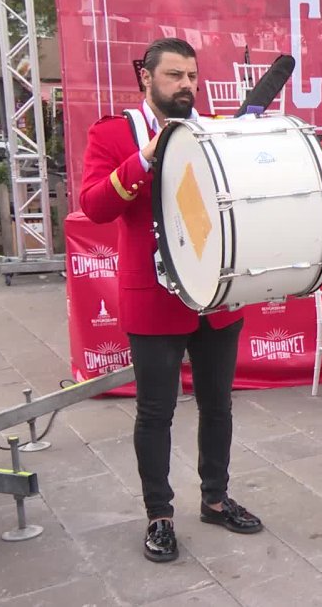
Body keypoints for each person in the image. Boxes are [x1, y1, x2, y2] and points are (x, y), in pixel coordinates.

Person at [79, 38, 262, 563]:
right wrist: (144, 158)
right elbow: (94, 205)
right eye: (174, 76)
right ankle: (159, 514)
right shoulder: (114, 133)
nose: (186, 85)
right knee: (156, 412)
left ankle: (215, 498)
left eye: (191, 76)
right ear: (146, 78)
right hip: (154, 295)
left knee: (218, 405)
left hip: (218, 292)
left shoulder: (216, 130)